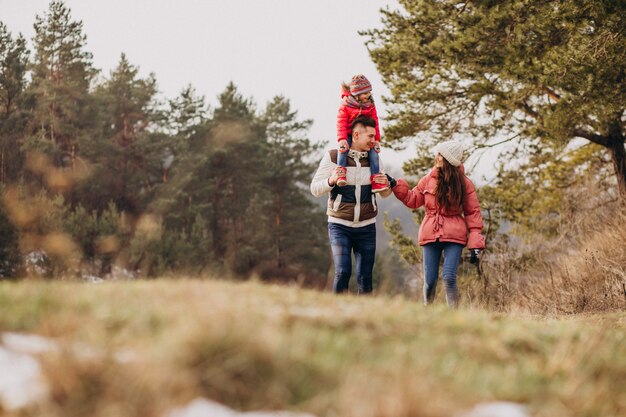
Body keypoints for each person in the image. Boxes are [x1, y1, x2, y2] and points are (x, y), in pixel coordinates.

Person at [387, 140, 485, 307]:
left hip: (455, 235)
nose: (436, 156)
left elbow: (473, 213)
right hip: (430, 233)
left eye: (440, 154)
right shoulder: (428, 179)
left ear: (447, 159)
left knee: (449, 277)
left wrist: (475, 244)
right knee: (430, 281)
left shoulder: (464, 184)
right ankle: (427, 312)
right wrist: (396, 186)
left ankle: (454, 319)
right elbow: (413, 199)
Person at [310, 116, 391, 294]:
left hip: (367, 227)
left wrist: (386, 184)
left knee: (365, 277)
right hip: (339, 225)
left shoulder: (375, 160)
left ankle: (364, 317)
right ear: (355, 135)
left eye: (374, 136)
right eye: (370, 136)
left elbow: (385, 194)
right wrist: (331, 180)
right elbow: (315, 189)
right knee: (342, 271)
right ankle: (337, 314)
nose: (374, 140)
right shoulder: (333, 157)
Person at [335, 75, 387, 193]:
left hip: (364, 136)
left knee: (374, 155)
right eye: (365, 93)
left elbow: (375, 122)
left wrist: (377, 139)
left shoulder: (370, 105)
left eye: (369, 92)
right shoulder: (346, 105)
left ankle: (375, 180)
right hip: (348, 134)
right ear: (356, 94)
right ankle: (341, 173)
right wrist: (342, 139)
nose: (368, 96)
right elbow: (341, 122)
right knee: (343, 150)